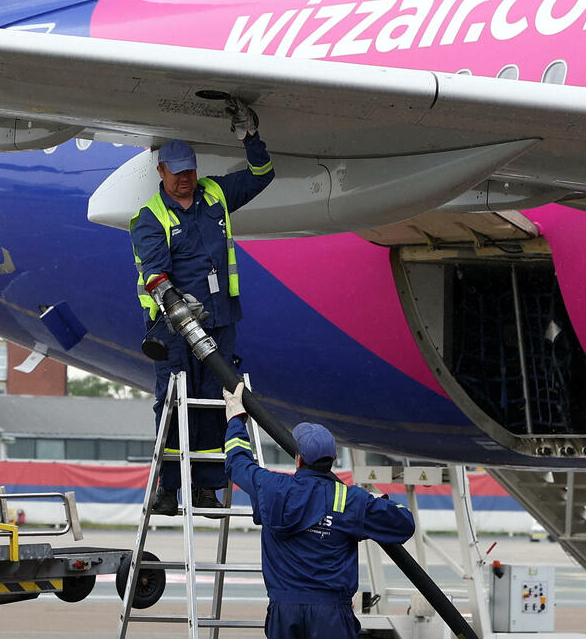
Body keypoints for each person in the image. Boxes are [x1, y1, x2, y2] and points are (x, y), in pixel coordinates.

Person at [130, 99, 274, 516]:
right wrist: (178, 307)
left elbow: (263, 176)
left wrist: (250, 139)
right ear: (162, 172)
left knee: (216, 401)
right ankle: (169, 488)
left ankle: (209, 486)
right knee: (173, 404)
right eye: (177, 175)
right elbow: (155, 276)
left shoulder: (215, 195)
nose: (186, 181)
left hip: (222, 321)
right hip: (174, 333)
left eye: (190, 172)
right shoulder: (150, 218)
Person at [222, 383, 415, 639]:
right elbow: (404, 524)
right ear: (334, 459)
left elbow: (237, 462)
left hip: (284, 612)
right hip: (331, 615)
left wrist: (236, 419)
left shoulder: (272, 487)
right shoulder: (350, 500)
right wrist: (380, 502)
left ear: (299, 458)